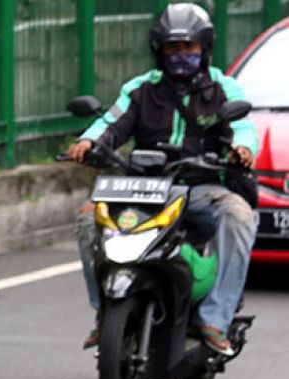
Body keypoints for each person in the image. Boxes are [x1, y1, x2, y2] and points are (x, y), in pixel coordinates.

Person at [66, 3, 258, 355]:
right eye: (173, 48)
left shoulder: (224, 89)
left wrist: (242, 150)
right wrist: (88, 142)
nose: (181, 55)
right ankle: (104, 311)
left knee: (240, 215)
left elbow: (244, 129)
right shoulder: (140, 89)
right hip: (143, 189)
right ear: (159, 50)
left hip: (201, 190)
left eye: (189, 47)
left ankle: (215, 319)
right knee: (86, 218)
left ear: (205, 49)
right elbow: (111, 123)